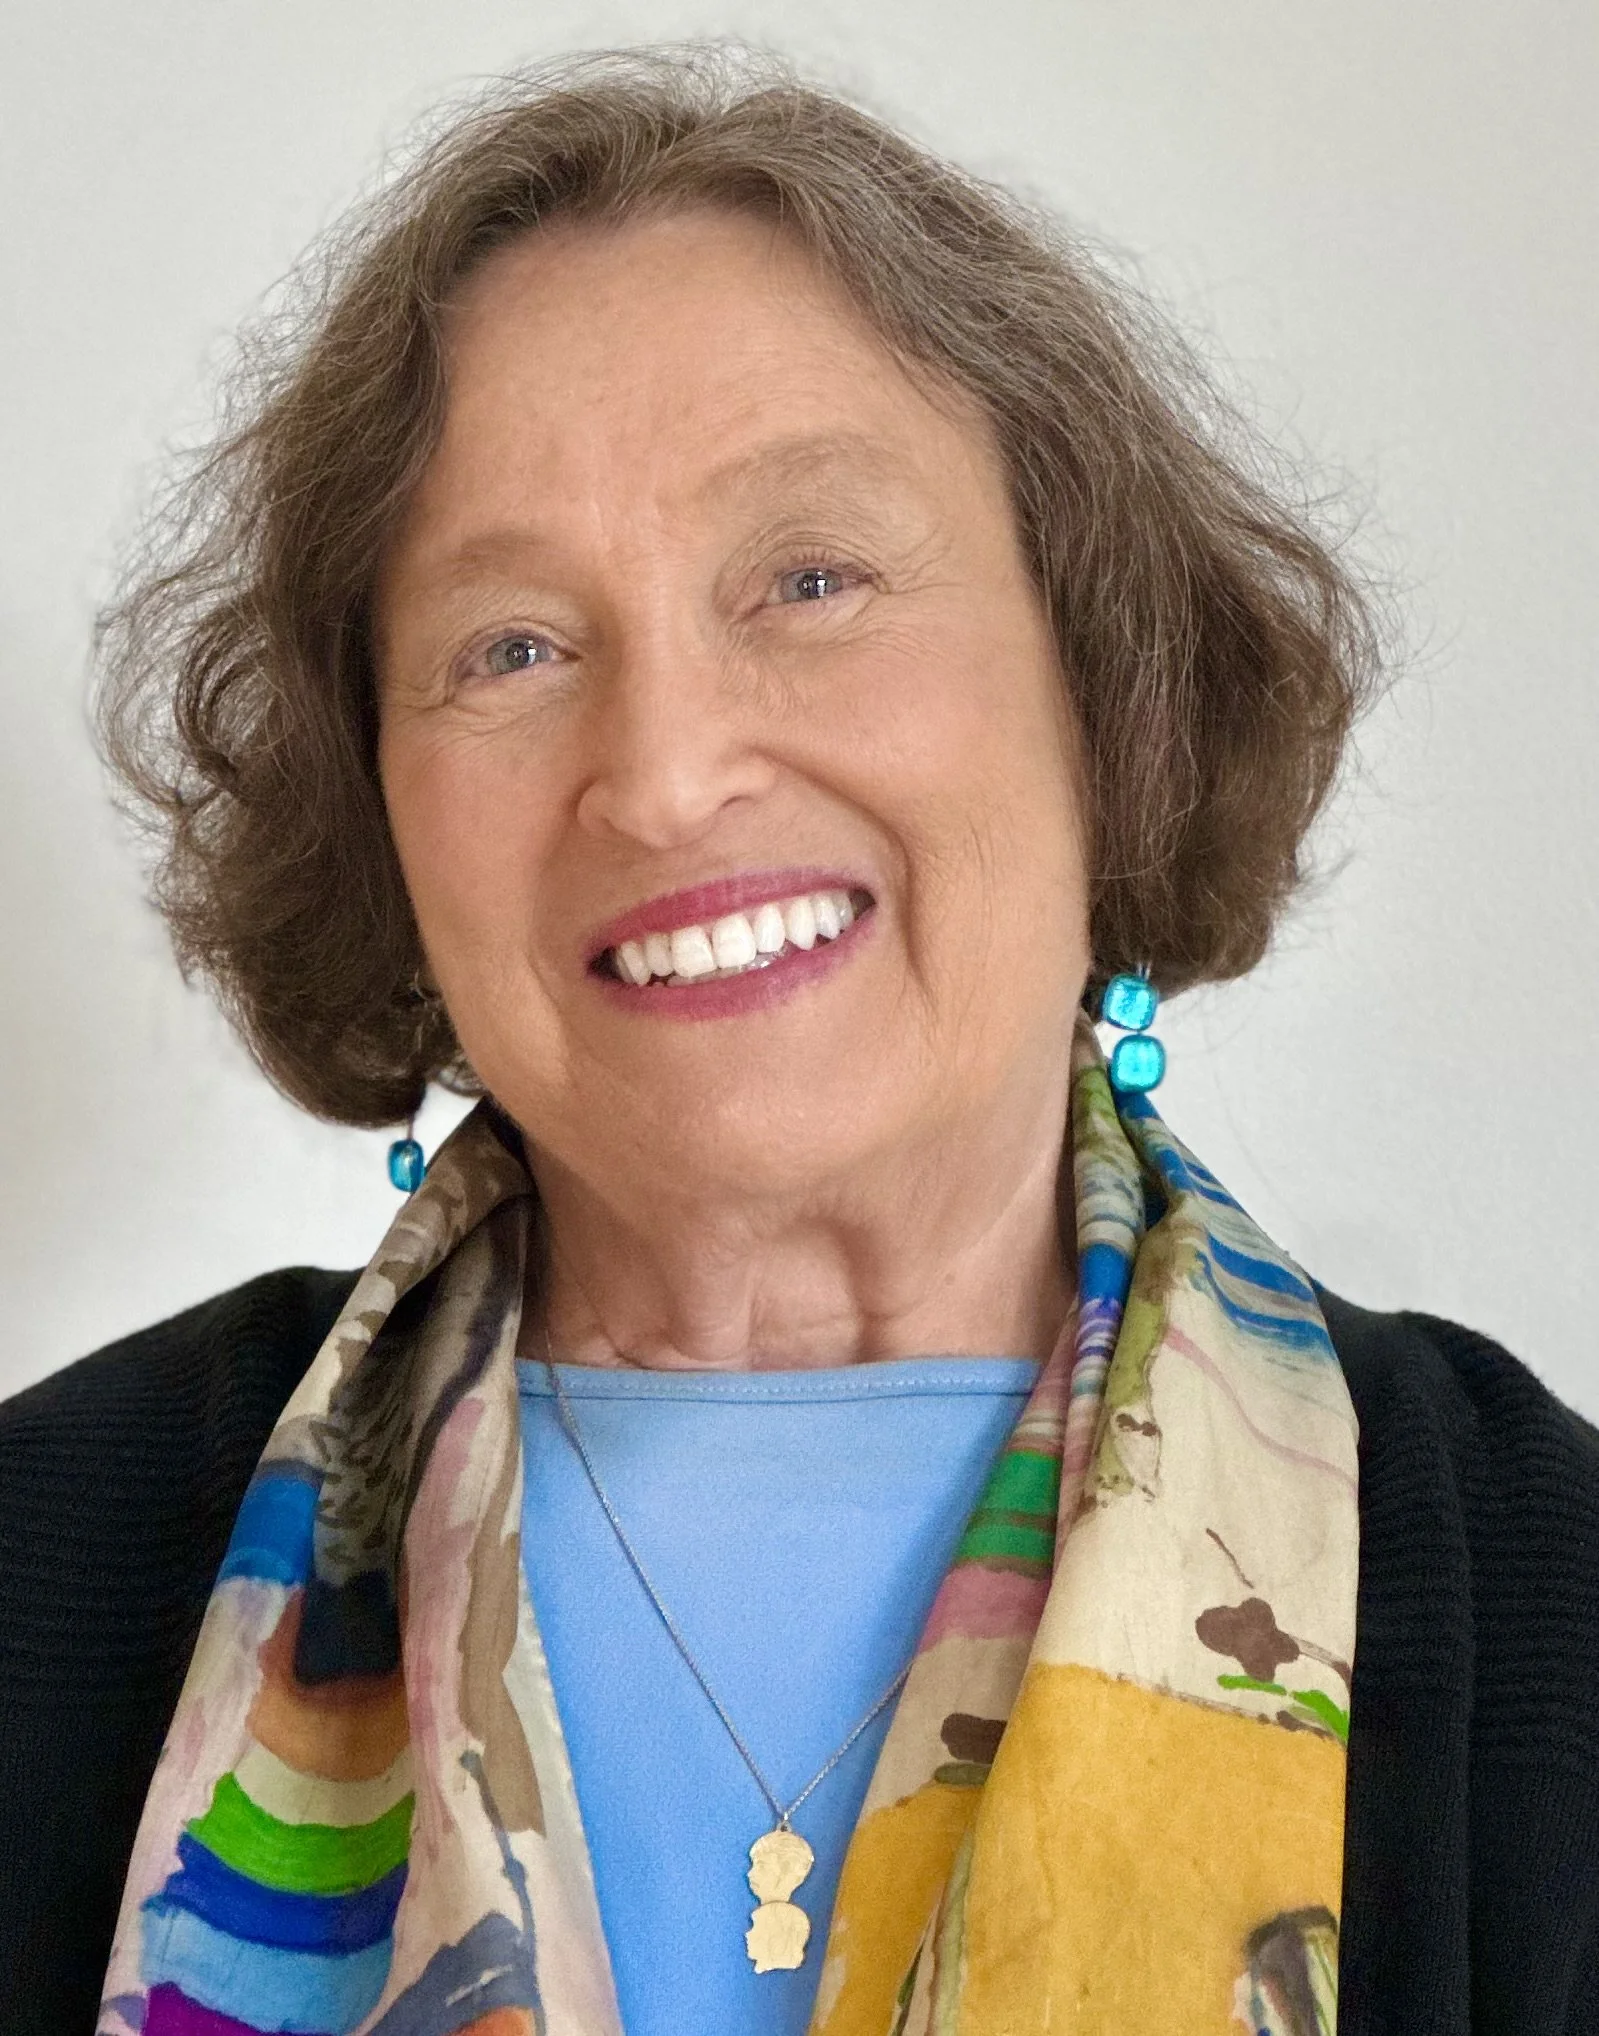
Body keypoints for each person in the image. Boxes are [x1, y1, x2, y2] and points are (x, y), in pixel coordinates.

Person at [2, 47, 1595, 2036]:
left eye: (811, 578)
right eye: (511, 646)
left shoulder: (1549, 1596)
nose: (663, 773)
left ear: (1101, 684)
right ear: (380, 811)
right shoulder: (43, 1567)